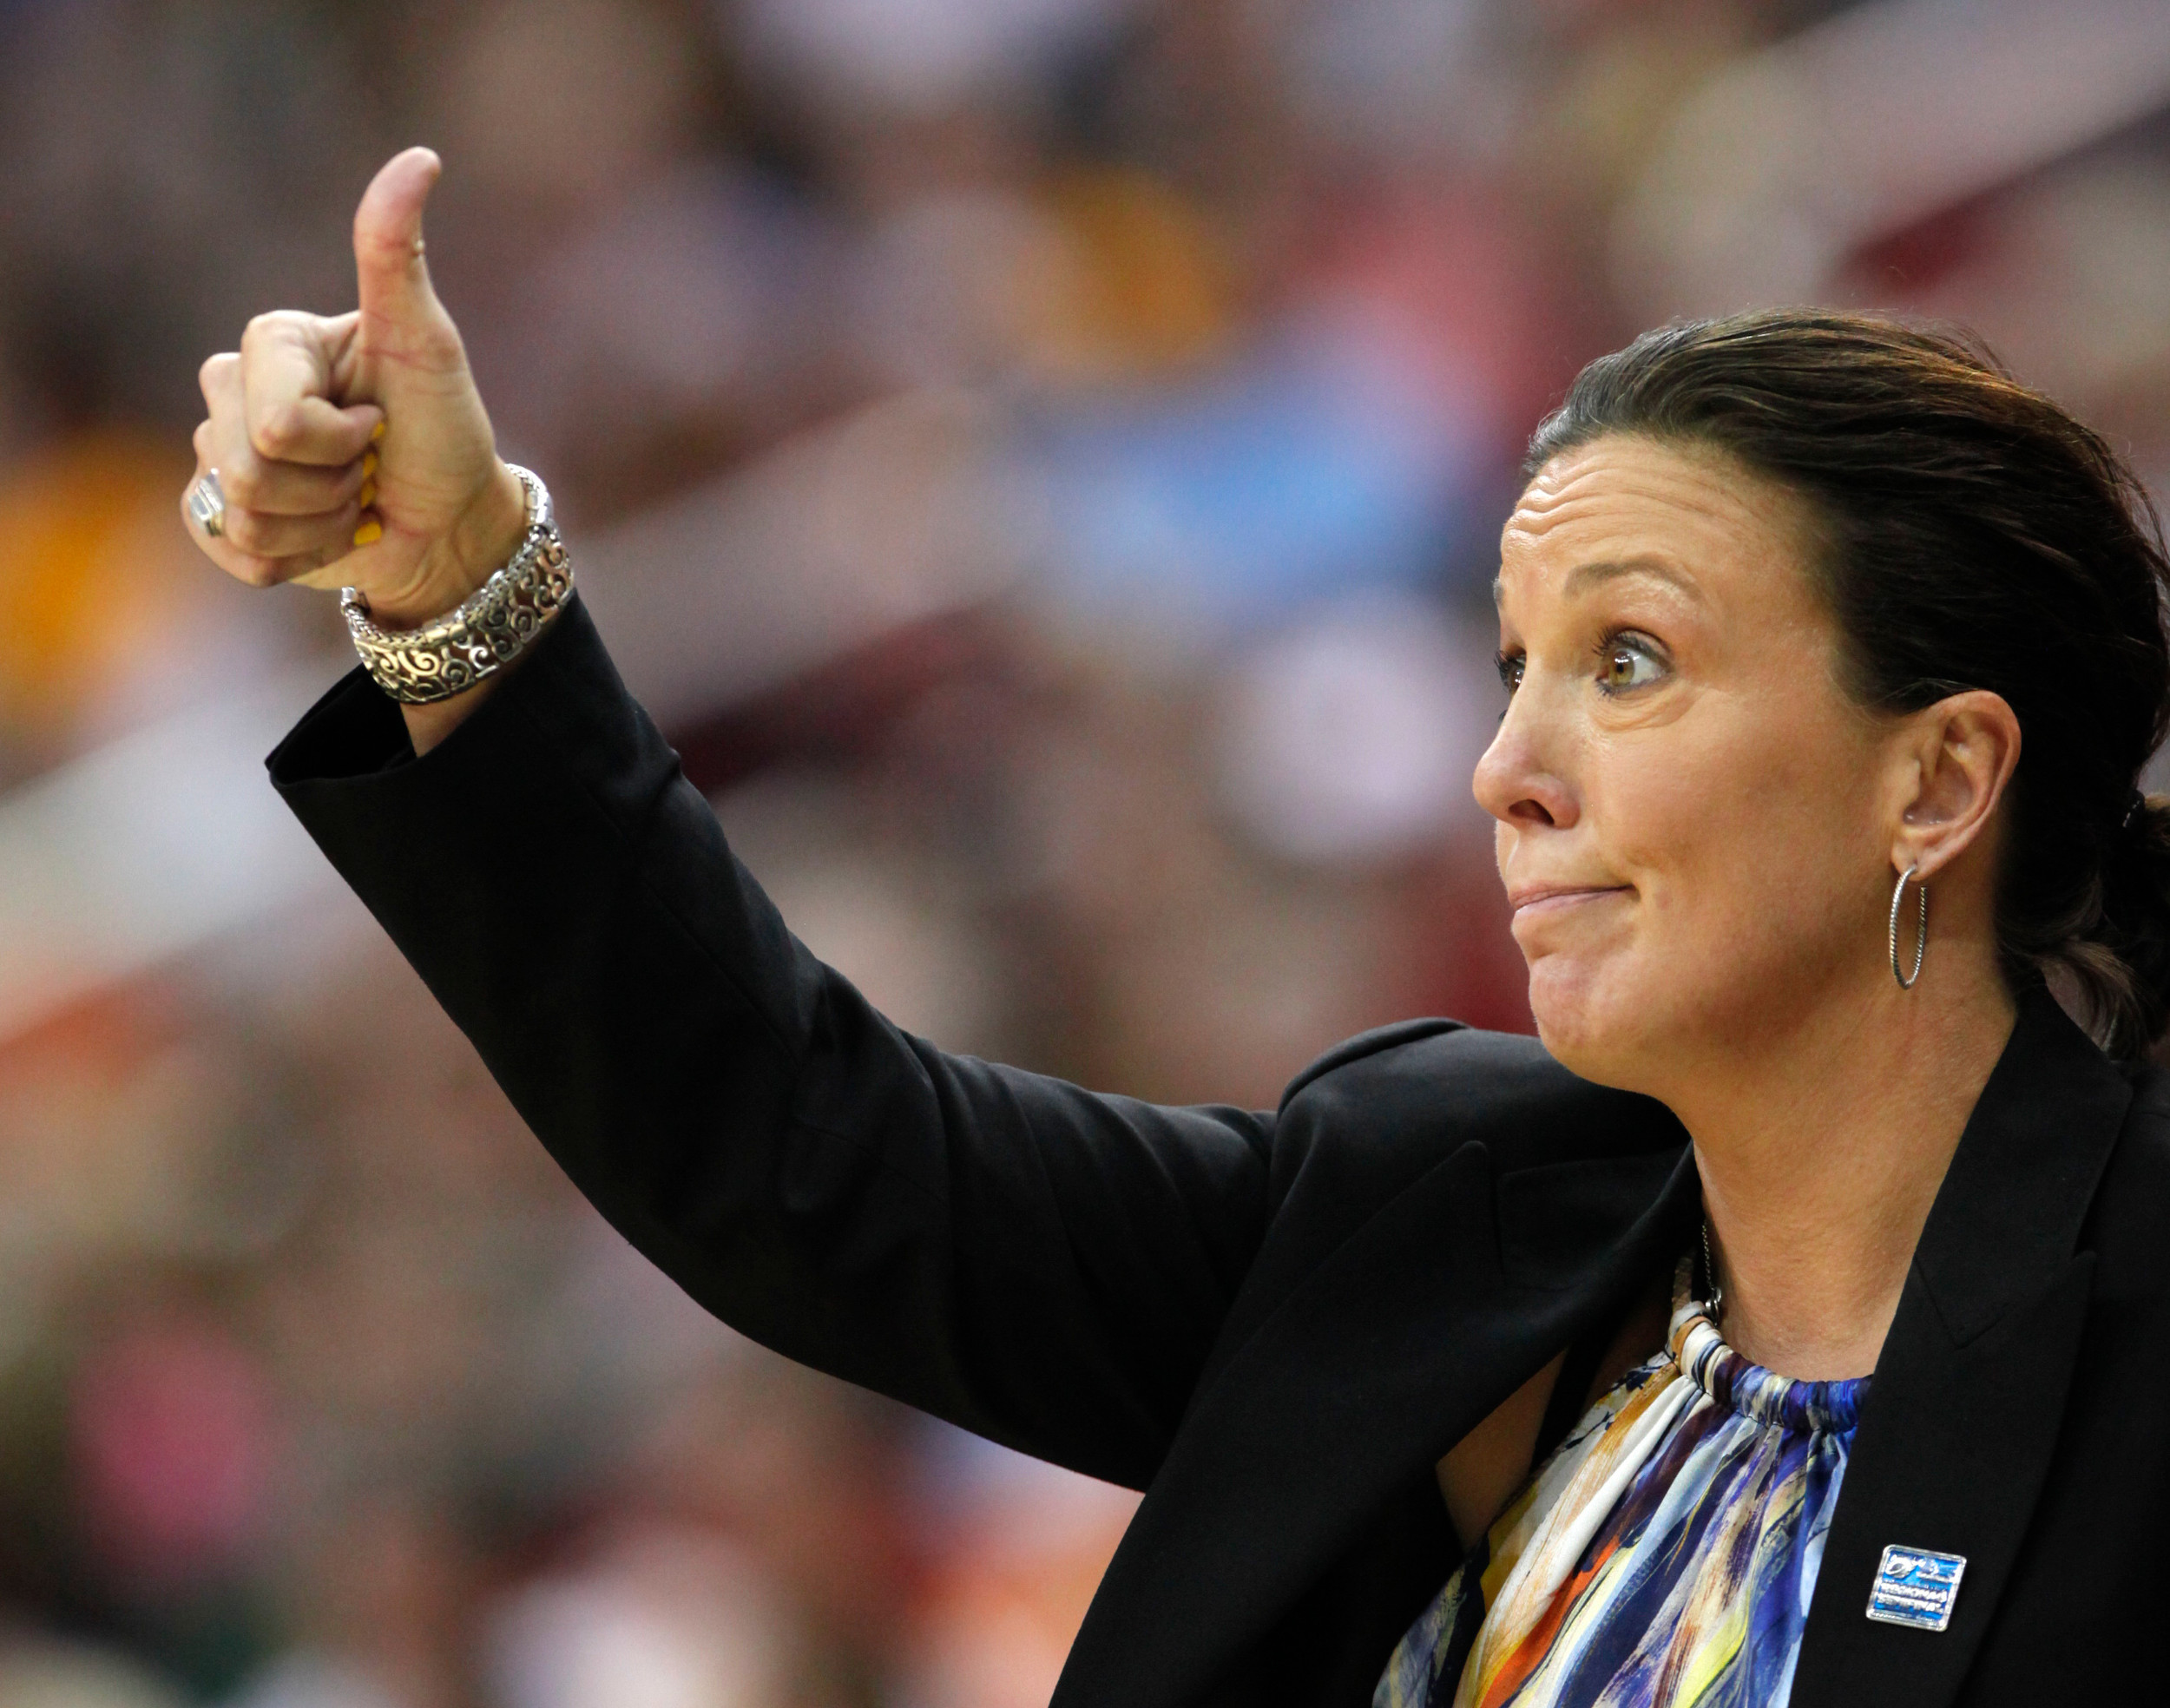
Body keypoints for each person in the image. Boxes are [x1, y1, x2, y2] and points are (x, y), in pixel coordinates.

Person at [182, 149, 2170, 1706]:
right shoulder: (1438, 1208)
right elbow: (801, 1154)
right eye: (1509, 664)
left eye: (1629, 660)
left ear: (1934, 781)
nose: (1503, 767)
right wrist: (457, 592)